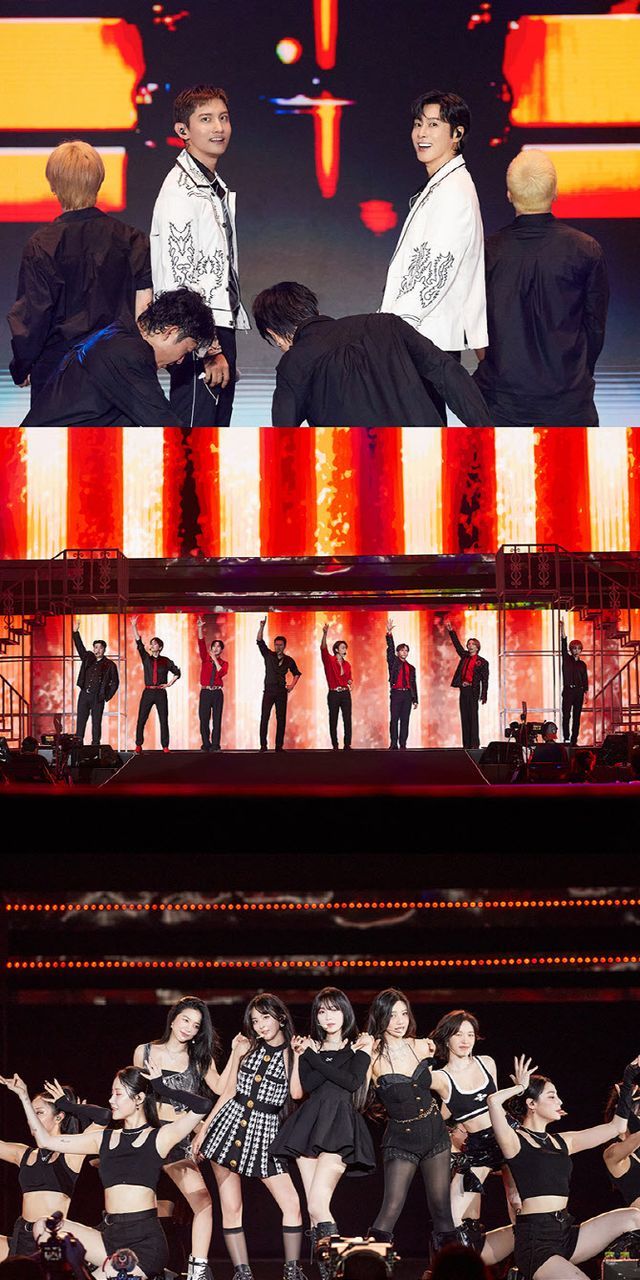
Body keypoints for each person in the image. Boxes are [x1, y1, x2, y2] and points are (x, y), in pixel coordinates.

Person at [0, 1066, 210, 1280]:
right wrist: (25, 1096)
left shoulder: (159, 1137)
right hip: (109, 1236)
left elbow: (202, 1106)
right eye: (111, 1093)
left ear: (139, 1098)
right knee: (43, 1226)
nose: (111, 1099)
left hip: (143, 1244)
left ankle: (156, 1275)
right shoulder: (104, 1139)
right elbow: (44, 1141)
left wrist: (162, 1088)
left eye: (118, 1094)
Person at [8, 141, 152, 403]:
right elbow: (144, 311)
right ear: (99, 181)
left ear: (53, 185)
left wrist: (22, 367)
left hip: (58, 377)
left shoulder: (42, 245)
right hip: (118, 377)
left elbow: (33, 318)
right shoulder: (132, 240)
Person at [474, 150, 609, 427]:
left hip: (502, 405)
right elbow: (594, 328)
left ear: (509, 195)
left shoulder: (485, 253)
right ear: (555, 192)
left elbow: (473, 326)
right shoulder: (586, 249)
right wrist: (574, 375)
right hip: (568, 405)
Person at [380, 90, 487, 423]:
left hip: (426, 338)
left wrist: (392, 330)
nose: (421, 134)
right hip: (422, 336)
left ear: (457, 134)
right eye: (418, 124)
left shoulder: (454, 192)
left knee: (421, 435)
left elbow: (434, 270)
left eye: (433, 124)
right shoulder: (442, 185)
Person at [252, 282, 492, 427]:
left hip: (356, 478)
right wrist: (486, 434)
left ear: (274, 334)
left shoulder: (294, 363)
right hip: (424, 462)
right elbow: (448, 372)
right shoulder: (387, 324)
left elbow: (284, 439)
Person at [486, 1053, 640, 1280]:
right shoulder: (515, 1141)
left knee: (634, 1216)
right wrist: (520, 1087)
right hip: (536, 1242)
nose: (559, 1102)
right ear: (531, 1104)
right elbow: (492, 1102)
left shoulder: (563, 1141)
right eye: (552, 1096)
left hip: (566, 1233)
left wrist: (629, 1077)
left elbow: (617, 1127)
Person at [151, 85, 250, 427]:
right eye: (206, 119)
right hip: (196, 335)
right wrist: (209, 348)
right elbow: (178, 279)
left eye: (224, 118)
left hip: (214, 328)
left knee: (213, 438)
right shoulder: (181, 192)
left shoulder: (208, 184)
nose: (218, 128)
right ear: (183, 130)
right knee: (194, 438)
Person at [194, 994, 307, 1280]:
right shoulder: (247, 1048)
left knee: (292, 1204)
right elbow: (228, 1091)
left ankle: (292, 1271)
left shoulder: (294, 1052)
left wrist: (299, 1056)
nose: (260, 1025)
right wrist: (205, 1130)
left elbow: (297, 1094)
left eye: (265, 1018)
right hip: (228, 1127)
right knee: (231, 1208)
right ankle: (242, 1273)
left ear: (281, 1018)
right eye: (255, 1021)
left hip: (265, 1133)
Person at [269, 987, 375, 1276]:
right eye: (322, 1011)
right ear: (316, 1017)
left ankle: (338, 1273)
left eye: (335, 1009)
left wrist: (313, 1056)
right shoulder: (310, 1049)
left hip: (339, 1126)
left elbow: (351, 1082)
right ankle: (327, 1273)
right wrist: (305, 1055)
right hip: (309, 1125)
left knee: (317, 1203)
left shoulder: (359, 1047)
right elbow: (307, 1087)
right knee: (314, 1212)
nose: (329, 1016)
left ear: (346, 1013)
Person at [133, 997, 228, 1280]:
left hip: (179, 1141)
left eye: (196, 1025)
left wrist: (237, 1055)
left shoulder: (200, 1059)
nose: (189, 1028)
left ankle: (197, 1270)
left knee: (203, 1203)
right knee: (140, 1206)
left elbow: (222, 1088)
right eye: (185, 1020)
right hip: (149, 1137)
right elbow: (134, 1098)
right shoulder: (145, 1051)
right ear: (173, 1020)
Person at [21, 288, 214, 427]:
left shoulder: (117, 336)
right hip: (47, 460)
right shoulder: (128, 353)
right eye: (186, 350)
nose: (180, 361)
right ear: (170, 332)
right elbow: (164, 424)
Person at [364, 989, 463, 1257]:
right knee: (391, 1207)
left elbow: (446, 1084)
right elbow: (356, 1093)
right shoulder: (372, 1055)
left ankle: (451, 1271)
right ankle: (368, 1268)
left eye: (404, 1013)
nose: (400, 1021)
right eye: (392, 1015)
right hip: (401, 1140)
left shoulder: (421, 1046)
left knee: (442, 1209)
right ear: (380, 1017)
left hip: (435, 1136)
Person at [429, 1010, 519, 1226]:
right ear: (446, 1037)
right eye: (458, 1034)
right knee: (451, 1214)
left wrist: (520, 1088)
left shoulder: (487, 1062)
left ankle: (527, 1248)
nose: (466, 1040)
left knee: (517, 1200)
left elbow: (495, 1104)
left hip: (508, 1134)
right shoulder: (440, 1078)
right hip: (479, 1146)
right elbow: (418, 1083)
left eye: (470, 1034)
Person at [0, 1084, 84, 1261]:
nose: (32, 1119)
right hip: (23, 1235)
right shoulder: (24, 1153)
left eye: (39, 1113)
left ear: (59, 1117)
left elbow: (102, 1121)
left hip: (50, 1236)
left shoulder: (72, 1152)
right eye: (31, 1113)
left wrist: (78, 1110)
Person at [447, 1120, 514, 1267]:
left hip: (475, 1232)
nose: (469, 1135)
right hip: (456, 1234)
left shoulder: (473, 1158)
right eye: (465, 1130)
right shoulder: (448, 1160)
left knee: (525, 1234)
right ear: (450, 1131)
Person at [131, 617, 181, 753]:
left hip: (160, 692)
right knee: (141, 718)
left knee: (163, 719)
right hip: (148, 692)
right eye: (151, 644)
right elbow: (139, 643)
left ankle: (165, 746)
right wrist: (134, 626)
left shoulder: (165, 661)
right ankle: (138, 745)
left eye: (154, 644)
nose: (152, 646)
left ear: (160, 647)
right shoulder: (146, 658)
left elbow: (177, 672)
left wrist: (169, 683)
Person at [256, 619, 301, 752]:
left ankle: (278, 746)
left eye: (280, 645)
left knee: (281, 719)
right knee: (265, 717)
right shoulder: (269, 655)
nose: (278, 647)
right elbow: (259, 641)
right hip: (269, 690)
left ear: (284, 646)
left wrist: (292, 685)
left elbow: (296, 673)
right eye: (276, 645)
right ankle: (263, 745)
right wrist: (262, 627)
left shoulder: (289, 660)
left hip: (281, 691)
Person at [72, 620, 119, 747]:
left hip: (97, 697)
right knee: (81, 722)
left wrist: (105, 696)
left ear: (104, 650)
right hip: (84, 695)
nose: (97, 650)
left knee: (96, 723)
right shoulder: (88, 658)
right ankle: (78, 747)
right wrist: (75, 632)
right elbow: (80, 647)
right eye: (96, 647)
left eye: (100, 648)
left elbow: (115, 683)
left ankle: (95, 747)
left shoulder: (109, 665)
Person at [444, 621, 488, 750]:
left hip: (474, 691)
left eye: (472, 644)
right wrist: (451, 632)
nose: (470, 645)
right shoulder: (464, 656)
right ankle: (466, 745)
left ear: (477, 647)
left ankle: (474, 744)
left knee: (473, 717)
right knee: (464, 716)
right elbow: (457, 646)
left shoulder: (482, 662)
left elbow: (485, 680)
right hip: (464, 690)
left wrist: (484, 695)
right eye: (468, 644)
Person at [196, 617, 228, 752]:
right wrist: (199, 628)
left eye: (218, 647)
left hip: (217, 693)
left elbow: (221, 673)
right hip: (205, 692)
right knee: (204, 719)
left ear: (221, 650)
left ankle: (215, 745)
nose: (215, 648)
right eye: (214, 646)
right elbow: (201, 642)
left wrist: (214, 659)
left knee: (217, 720)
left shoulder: (224, 663)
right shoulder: (205, 658)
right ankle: (206, 744)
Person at [385, 619, 418, 750]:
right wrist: (389, 634)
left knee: (405, 720)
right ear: (398, 652)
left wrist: (415, 699)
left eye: (406, 650)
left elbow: (413, 684)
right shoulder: (394, 663)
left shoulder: (411, 668)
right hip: (396, 693)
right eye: (402, 650)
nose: (404, 652)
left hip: (407, 695)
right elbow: (390, 649)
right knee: (394, 719)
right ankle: (394, 743)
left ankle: (403, 744)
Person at [320, 624, 352, 750]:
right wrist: (325, 634)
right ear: (337, 649)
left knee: (347, 719)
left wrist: (350, 681)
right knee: (333, 719)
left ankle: (347, 744)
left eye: (345, 648)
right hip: (333, 693)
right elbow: (323, 648)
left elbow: (349, 678)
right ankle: (335, 745)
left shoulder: (347, 664)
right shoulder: (329, 660)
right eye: (343, 647)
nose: (345, 649)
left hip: (345, 693)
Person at [560, 620, 588, 746]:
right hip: (568, 691)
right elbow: (563, 642)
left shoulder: (582, 664)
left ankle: (574, 740)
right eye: (574, 648)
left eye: (578, 648)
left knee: (577, 717)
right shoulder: (566, 659)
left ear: (581, 650)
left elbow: (585, 679)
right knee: (566, 715)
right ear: (571, 649)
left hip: (579, 692)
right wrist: (562, 628)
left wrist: (586, 693)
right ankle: (566, 738)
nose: (576, 650)